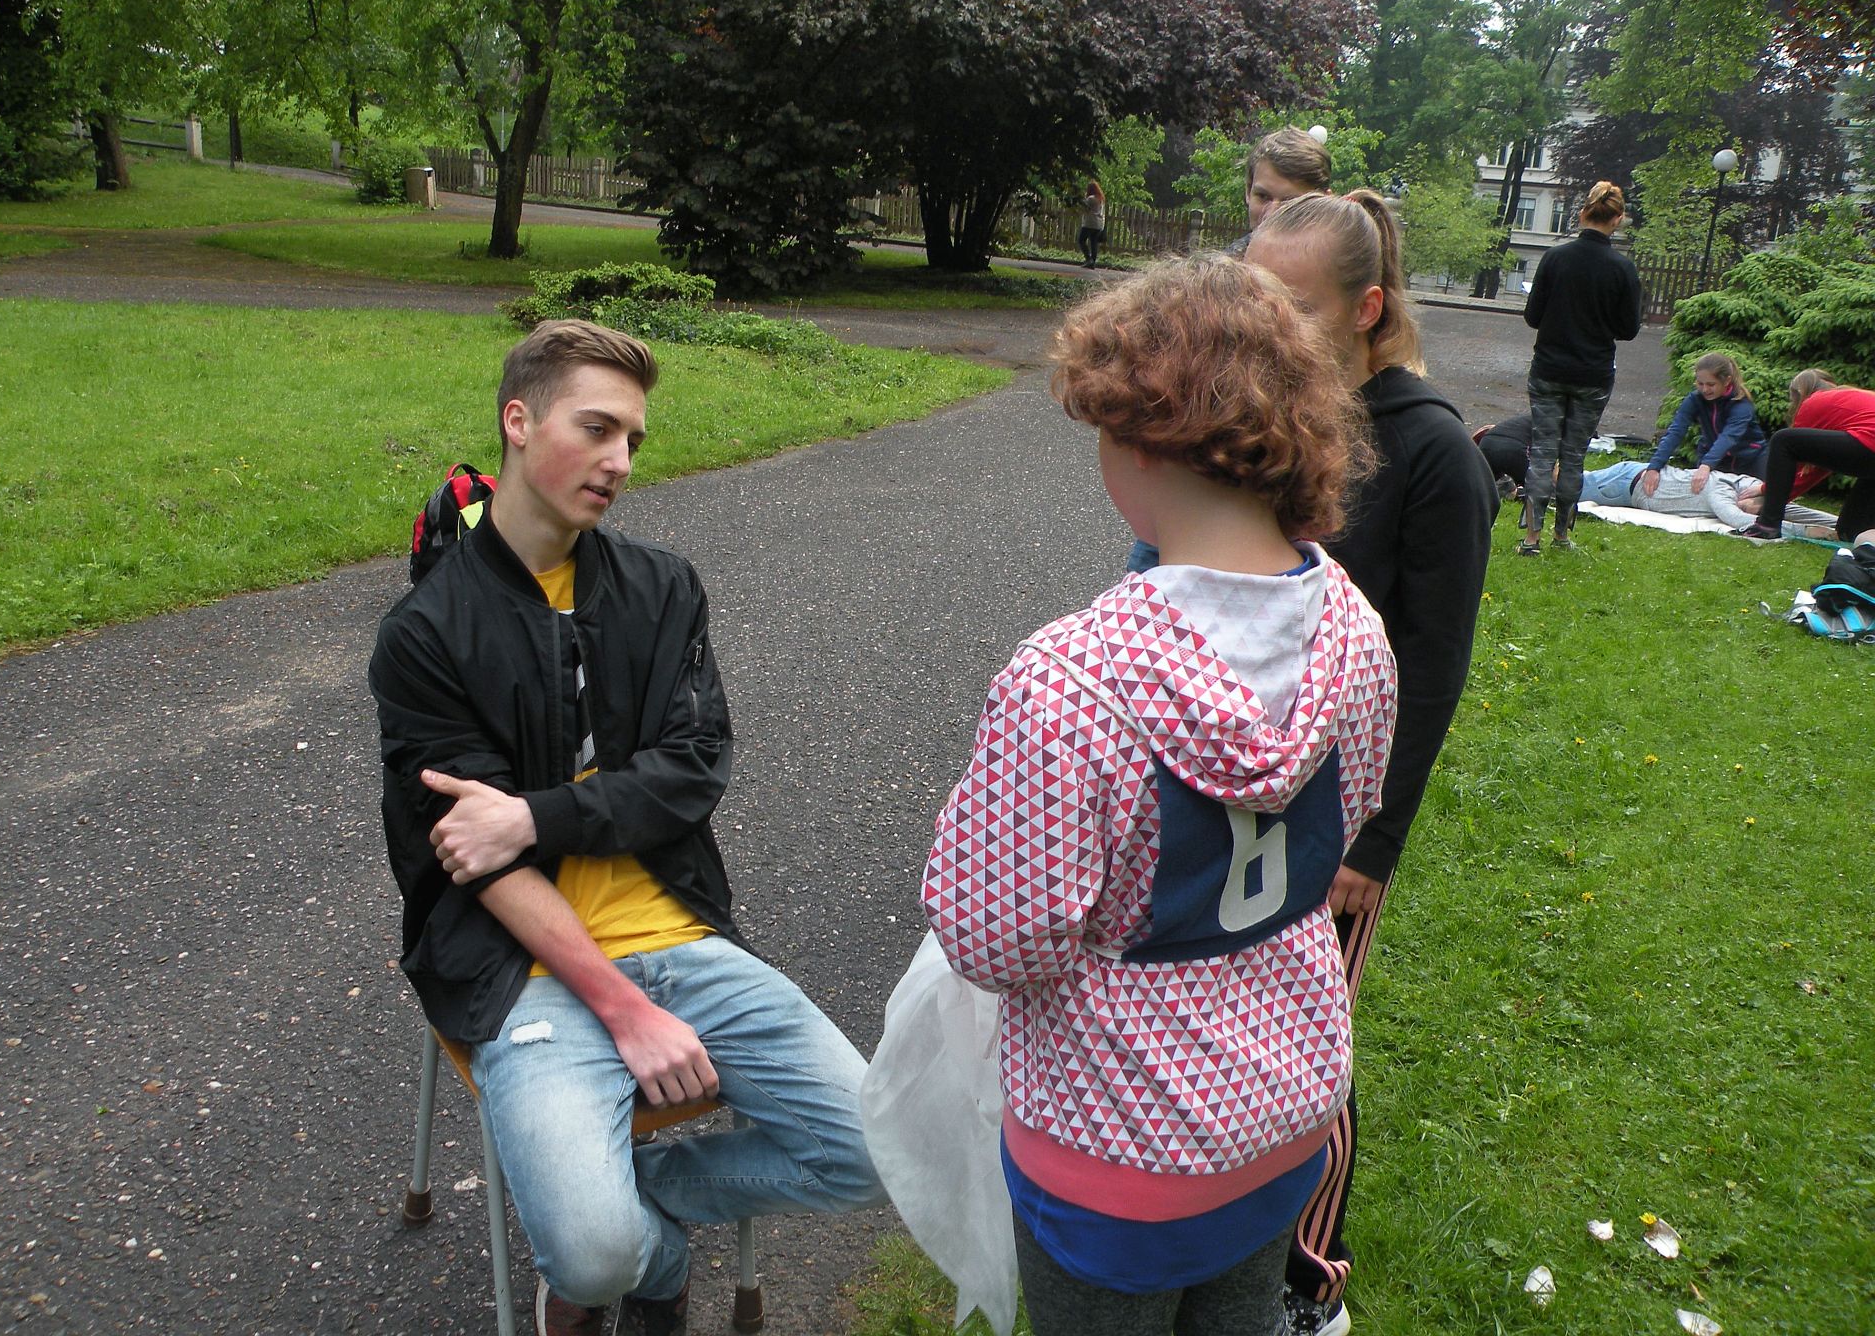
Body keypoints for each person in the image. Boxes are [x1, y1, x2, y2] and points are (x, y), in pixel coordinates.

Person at [369, 320, 883, 1336]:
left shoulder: (662, 588)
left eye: (634, 440)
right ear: (519, 422)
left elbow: (690, 772)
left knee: (877, 1152)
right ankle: (648, 1260)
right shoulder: (426, 633)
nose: (620, 462)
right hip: (521, 971)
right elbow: (475, 861)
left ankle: (644, 1202)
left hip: (680, 939)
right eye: (597, 429)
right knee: (595, 1256)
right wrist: (626, 1012)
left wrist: (534, 816)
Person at [924, 256, 1397, 1336]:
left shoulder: (1070, 679)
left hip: (1117, 1140)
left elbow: (997, 941)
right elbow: (1350, 810)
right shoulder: (1355, 630)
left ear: (1137, 436)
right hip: (1286, 1108)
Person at [1242, 191, 1499, 1336]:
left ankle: (1310, 1283)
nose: (1265, 326)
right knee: (1232, 1023)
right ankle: (1227, 1238)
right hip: (1236, 789)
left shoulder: (1434, 452)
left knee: (1308, 1043)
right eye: (1254, 298)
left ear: (1367, 308)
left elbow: (1432, 671)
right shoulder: (1276, 415)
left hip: (1336, 818)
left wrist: (1374, 842)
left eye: (1292, 305)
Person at [1518, 180, 1642, 554]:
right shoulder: (1623, 268)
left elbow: (1532, 316)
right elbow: (1628, 330)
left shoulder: (1555, 258)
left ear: (1583, 213)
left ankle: (1531, 538)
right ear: (1617, 219)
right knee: (1573, 456)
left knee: (1543, 452)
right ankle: (1562, 535)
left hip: (1549, 369)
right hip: (1594, 373)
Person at [1739, 369, 1875, 543]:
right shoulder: (1849, 398)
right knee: (1849, 532)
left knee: (1783, 440)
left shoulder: (1813, 402)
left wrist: (1765, 494)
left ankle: (1766, 526)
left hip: (1870, 443)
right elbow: (1821, 466)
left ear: (1799, 394)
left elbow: (1802, 470)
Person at [1580, 460, 1834, 537]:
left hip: (1632, 484)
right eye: (1754, 508)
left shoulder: (1746, 489)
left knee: (1571, 480)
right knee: (1568, 486)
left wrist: (1837, 524)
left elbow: (1790, 509)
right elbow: (1739, 520)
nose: (1751, 512)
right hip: (1626, 481)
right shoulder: (1721, 490)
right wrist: (1805, 531)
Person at [1643, 351, 1769, 490]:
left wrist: (1706, 465)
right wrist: (1654, 466)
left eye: (1711, 384)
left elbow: (1729, 436)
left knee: (1758, 497)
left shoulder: (1740, 404)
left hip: (1750, 459)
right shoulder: (1695, 399)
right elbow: (1676, 430)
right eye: (1700, 383)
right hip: (1717, 460)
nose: (1705, 389)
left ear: (1727, 381)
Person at [1228, 127, 1333, 255]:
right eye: (1263, 196)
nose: (1271, 214)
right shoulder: (1226, 264)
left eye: (1290, 202)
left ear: (1324, 204)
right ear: (1248, 191)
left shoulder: (1345, 263)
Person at [1079, 180, 1107, 268]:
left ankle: (1088, 259)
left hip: (1089, 223)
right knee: (1094, 243)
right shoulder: (1100, 199)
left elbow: (1082, 206)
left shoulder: (1090, 199)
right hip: (1098, 224)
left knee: (1081, 240)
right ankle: (1093, 262)